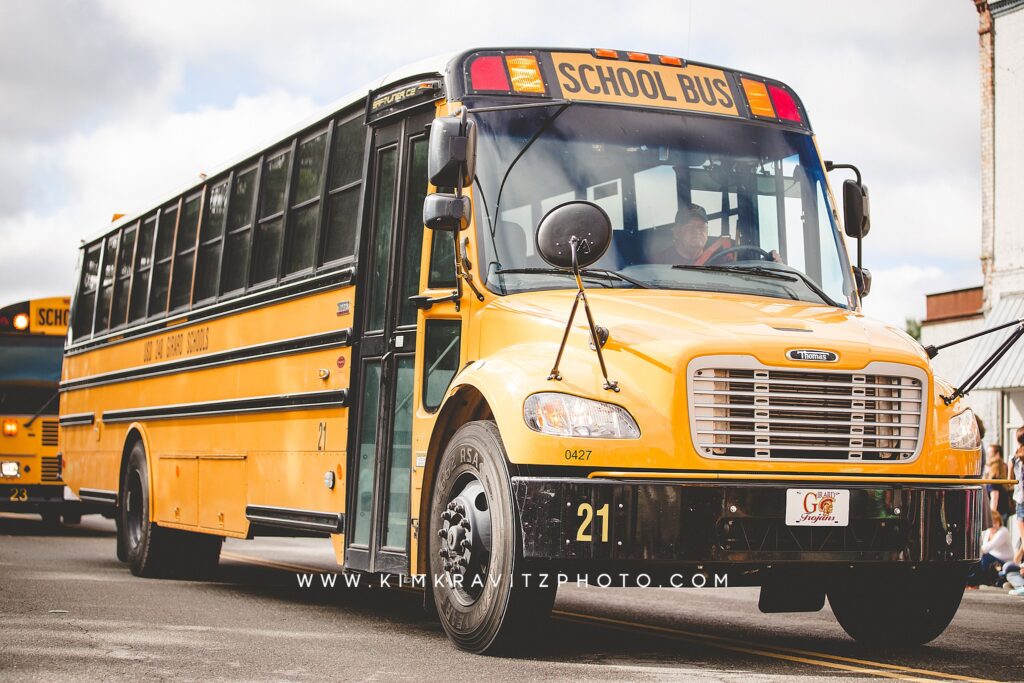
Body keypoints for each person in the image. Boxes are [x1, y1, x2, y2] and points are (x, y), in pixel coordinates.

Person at [967, 510, 1013, 587]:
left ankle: (978, 582)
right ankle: (972, 581)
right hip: (992, 558)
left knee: (983, 557)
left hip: (1004, 561)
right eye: (992, 523)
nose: (993, 525)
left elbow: (988, 547)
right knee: (980, 558)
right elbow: (983, 548)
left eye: (996, 522)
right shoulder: (988, 531)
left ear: (999, 522)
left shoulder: (1003, 531)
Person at [985, 444, 1010, 519]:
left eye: (990, 454)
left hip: (996, 510)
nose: (988, 456)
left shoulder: (994, 470)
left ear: (997, 454)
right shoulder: (1004, 466)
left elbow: (994, 494)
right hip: (1004, 509)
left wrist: (992, 515)